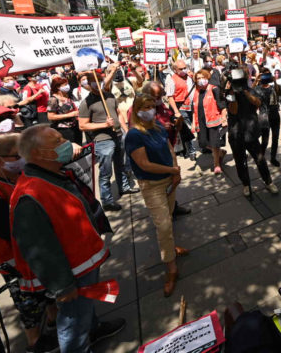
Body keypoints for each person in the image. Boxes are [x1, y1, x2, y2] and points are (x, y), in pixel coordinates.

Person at [11, 125, 124, 352]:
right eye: (57, 141)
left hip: (84, 262)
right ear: (38, 154)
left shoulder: (55, 175)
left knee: (83, 312)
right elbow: (39, 248)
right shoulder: (30, 195)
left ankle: (93, 330)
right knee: (73, 322)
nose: (65, 143)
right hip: (72, 273)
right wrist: (62, 286)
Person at [0, 134, 58, 352]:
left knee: (47, 294)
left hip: (35, 251)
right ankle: (35, 343)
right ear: (0, 160)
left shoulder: (18, 175)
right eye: (17, 155)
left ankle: (54, 324)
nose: (23, 159)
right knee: (28, 303)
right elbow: (5, 230)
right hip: (13, 259)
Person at [125, 94, 185, 297]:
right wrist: (171, 171)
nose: (150, 110)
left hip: (169, 179)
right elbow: (144, 164)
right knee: (164, 225)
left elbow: (170, 150)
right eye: (145, 107)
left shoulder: (158, 127)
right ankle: (172, 270)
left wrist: (176, 170)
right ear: (137, 109)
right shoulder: (134, 135)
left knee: (168, 218)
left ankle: (170, 248)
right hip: (152, 185)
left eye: (152, 106)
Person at [78, 68, 138, 212]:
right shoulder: (86, 103)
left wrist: (125, 130)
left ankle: (123, 187)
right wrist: (104, 124)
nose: (97, 84)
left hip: (118, 136)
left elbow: (118, 114)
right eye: (93, 82)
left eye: (99, 81)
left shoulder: (110, 96)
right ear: (89, 85)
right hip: (103, 140)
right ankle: (107, 201)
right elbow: (82, 125)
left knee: (121, 164)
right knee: (105, 172)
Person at [226, 68, 278, 198]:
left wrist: (245, 93)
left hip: (251, 131)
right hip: (236, 132)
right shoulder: (229, 94)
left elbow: (258, 103)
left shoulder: (251, 90)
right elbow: (233, 111)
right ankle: (245, 184)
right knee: (240, 161)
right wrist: (233, 95)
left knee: (260, 159)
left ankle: (268, 181)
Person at [191, 70, 227, 176]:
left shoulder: (214, 89)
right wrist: (193, 123)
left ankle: (216, 165)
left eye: (203, 77)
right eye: (198, 78)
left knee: (214, 144)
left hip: (213, 121)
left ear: (207, 77)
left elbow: (222, 105)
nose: (200, 80)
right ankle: (221, 153)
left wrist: (223, 118)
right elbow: (194, 109)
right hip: (201, 122)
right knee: (203, 143)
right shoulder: (196, 92)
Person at [255, 68, 281, 167]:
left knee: (275, 138)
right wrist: (256, 80)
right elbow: (251, 93)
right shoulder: (258, 89)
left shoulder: (273, 88)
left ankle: (273, 158)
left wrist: (274, 80)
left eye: (268, 75)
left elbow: (279, 91)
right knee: (265, 140)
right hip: (264, 117)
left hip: (275, 115)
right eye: (264, 75)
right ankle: (261, 158)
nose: (266, 77)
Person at [171, 59, 197, 161]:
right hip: (181, 107)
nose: (183, 70)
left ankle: (189, 149)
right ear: (175, 69)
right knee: (188, 128)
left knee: (190, 128)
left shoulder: (189, 76)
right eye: (180, 69)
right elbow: (170, 97)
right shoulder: (172, 79)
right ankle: (192, 151)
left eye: (184, 68)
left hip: (192, 106)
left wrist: (193, 75)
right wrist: (176, 111)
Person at [48, 76, 81, 144]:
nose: (68, 86)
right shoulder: (53, 99)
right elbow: (51, 116)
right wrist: (70, 115)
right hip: (64, 130)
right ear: (58, 87)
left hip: (75, 127)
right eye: (65, 85)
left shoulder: (68, 95)